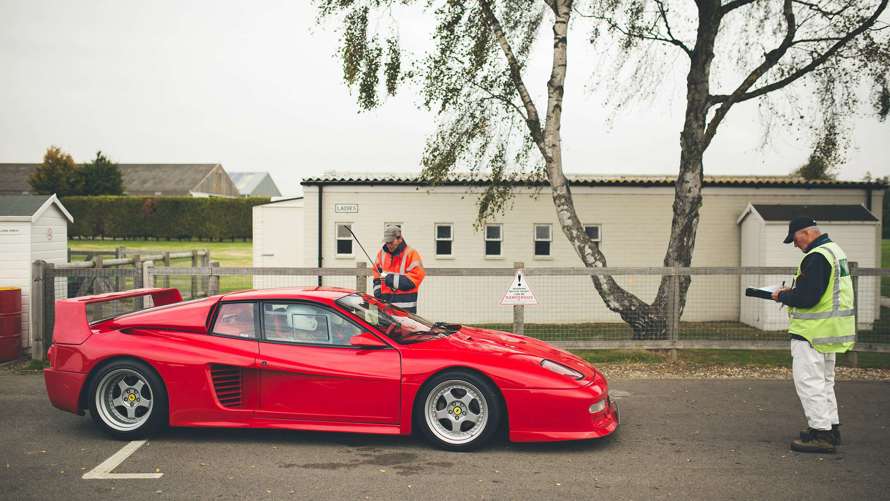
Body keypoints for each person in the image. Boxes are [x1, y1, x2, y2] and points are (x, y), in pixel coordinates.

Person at [771, 216, 855, 454]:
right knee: (825, 381)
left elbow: (808, 298)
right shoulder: (834, 251)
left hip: (812, 333)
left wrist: (782, 296)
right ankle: (830, 427)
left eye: (795, 240)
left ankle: (822, 435)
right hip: (831, 330)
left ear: (806, 233)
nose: (795, 245)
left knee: (809, 382)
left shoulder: (816, 257)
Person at [372, 225, 426, 313]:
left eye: (391, 242)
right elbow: (376, 275)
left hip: (405, 309)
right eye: (387, 242)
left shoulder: (411, 253)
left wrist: (389, 279)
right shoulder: (381, 254)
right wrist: (378, 293)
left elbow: (414, 279)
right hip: (385, 307)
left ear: (399, 239)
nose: (388, 245)